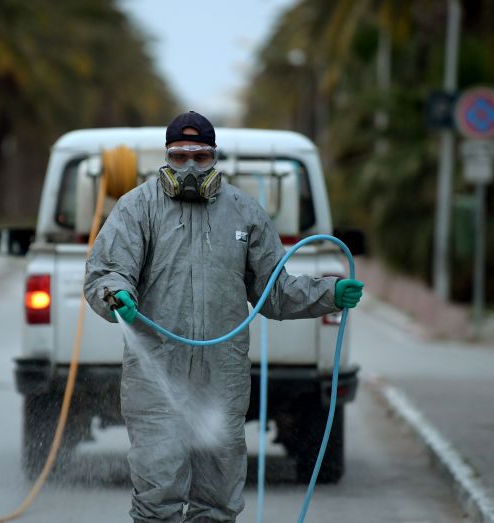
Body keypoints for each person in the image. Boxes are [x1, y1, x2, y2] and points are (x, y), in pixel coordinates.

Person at [84, 111, 364, 522]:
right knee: (157, 495)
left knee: (217, 501)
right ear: (167, 157)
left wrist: (329, 293)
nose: (191, 167)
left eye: (200, 156)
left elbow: (275, 292)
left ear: (215, 158)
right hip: (157, 379)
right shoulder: (137, 208)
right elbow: (107, 270)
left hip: (220, 383)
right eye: (180, 157)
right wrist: (117, 295)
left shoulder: (245, 213)